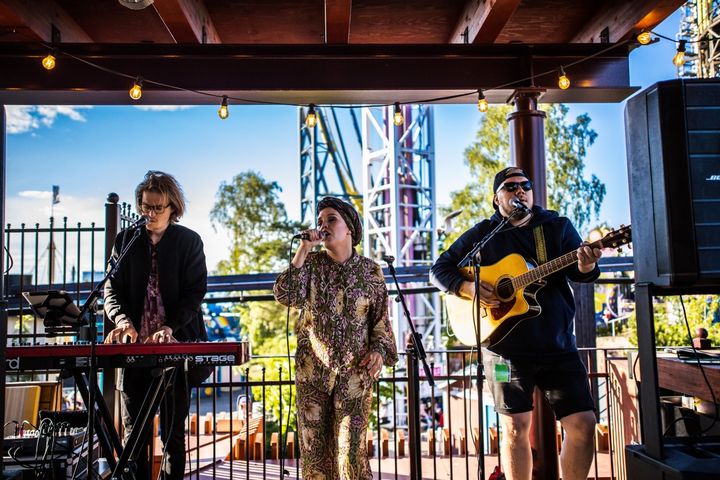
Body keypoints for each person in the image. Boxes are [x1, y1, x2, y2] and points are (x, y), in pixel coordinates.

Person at [429, 166, 601, 480]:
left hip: (557, 343)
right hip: (503, 350)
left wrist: (587, 264)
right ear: (497, 199)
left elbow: (580, 272)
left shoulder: (556, 226)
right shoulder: (483, 234)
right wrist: (466, 287)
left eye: (526, 185)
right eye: (510, 187)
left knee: (583, 424)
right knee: (513, 428)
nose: (520, 190)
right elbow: (439, 269)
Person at [273, 196, 398, 480]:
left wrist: (379, 352)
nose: (323, 226)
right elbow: (285, 295)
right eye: (320, 221)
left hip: (355, 375)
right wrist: (304, 249)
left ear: (349, 228)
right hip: (312, 373)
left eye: (331, 219)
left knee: (351, 452)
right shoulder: (310, 264)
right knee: (315, 453)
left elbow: (380, 321)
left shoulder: (370, 271)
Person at [104, 170, 208, 480]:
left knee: (173, 437)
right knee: (133, 437)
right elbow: (111, 289)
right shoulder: (126, 240)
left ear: (172, 208)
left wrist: (170, 327)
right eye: (145, 206)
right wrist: (122, 321)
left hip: (175, 349)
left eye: (157, 207)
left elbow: (195, 293)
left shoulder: (189, 241)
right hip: (134, 351)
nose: (150, 213)